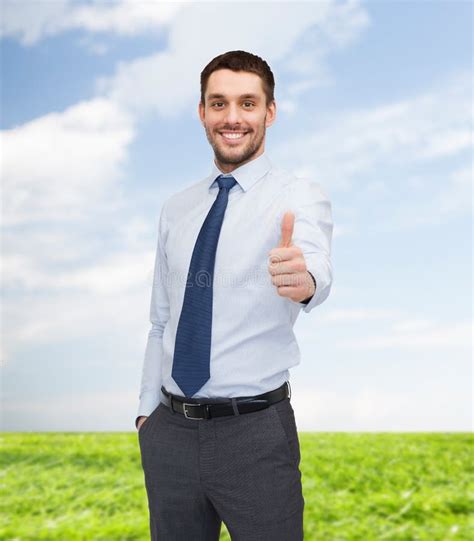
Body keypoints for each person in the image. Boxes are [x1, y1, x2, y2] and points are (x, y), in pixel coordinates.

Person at [135, 50, 333, 541]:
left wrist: (303, 279)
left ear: (270, 112)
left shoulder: (298, 196)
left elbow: (316, 266)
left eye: (248, 103)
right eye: (218, 103)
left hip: (255, 434)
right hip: (169, 433)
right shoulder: (176, 209)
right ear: (202, 111)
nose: (232, 117)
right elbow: (161, 319)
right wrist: (146, 414)